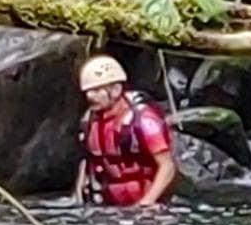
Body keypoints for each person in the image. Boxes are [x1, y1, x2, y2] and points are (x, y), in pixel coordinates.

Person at [73, 54, 179, 206]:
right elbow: (86, 164)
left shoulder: (144, 119)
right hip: (110, 205)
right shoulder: (89, 121)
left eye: (97, 90)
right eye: (88, 91)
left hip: (148, 205)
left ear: (116, 89)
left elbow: (167, 166)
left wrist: (146, 204)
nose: (90, 96)